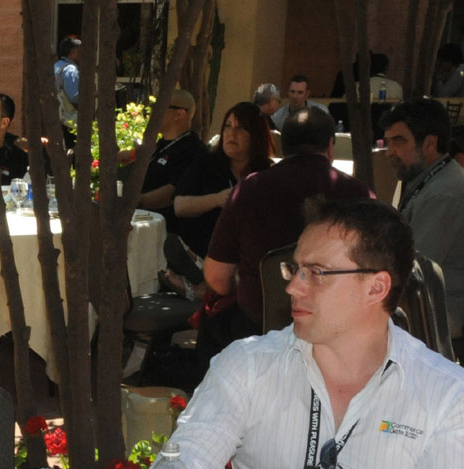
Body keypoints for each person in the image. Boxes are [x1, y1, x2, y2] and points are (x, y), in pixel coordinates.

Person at [120, 199, 464, 469]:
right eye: (295, 269)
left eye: (316, 273)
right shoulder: (249, 367)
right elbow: (189, 461)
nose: (294, 288)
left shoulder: (446, 394)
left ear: (376, 287)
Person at [200, 106, 369, 366]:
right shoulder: (358, 194)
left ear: (282, 147)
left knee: (212, 323)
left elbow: (216, 277)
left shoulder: (250, 190)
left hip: (259, 328)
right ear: (330, 146)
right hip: (337, 334)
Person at [379, 99, 464, 336]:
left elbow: (411, 273)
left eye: (399, 141)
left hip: (439, 314)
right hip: (435, 303)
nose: (390, 152)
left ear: (430, 143)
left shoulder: (444, 194)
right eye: (388, 142)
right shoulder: (434, 179)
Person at [165, 101, 272, 293]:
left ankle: (197, 291)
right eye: (228, 126)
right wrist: (217, 199)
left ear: (255, 136)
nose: (231, 134)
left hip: (246, 253)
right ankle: (201, 283)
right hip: (207, 248)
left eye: (240, 128)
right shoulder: (206, 164)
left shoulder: (267, 173)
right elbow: (180, 206)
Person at [136, 89, 209, 217]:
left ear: (179, 114)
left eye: (160, 107)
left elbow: (172, 192)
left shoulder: (193, 150)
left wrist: (135, 201)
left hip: (166, 230)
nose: (153, 112)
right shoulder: (161, 144)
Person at [54, 36, 81, 145]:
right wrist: (94, 94)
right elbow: (75, 97)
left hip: (57, 118)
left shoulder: (56, 66)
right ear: (73, 52)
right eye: (81, 51)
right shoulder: (71, 69)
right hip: (69, 122)